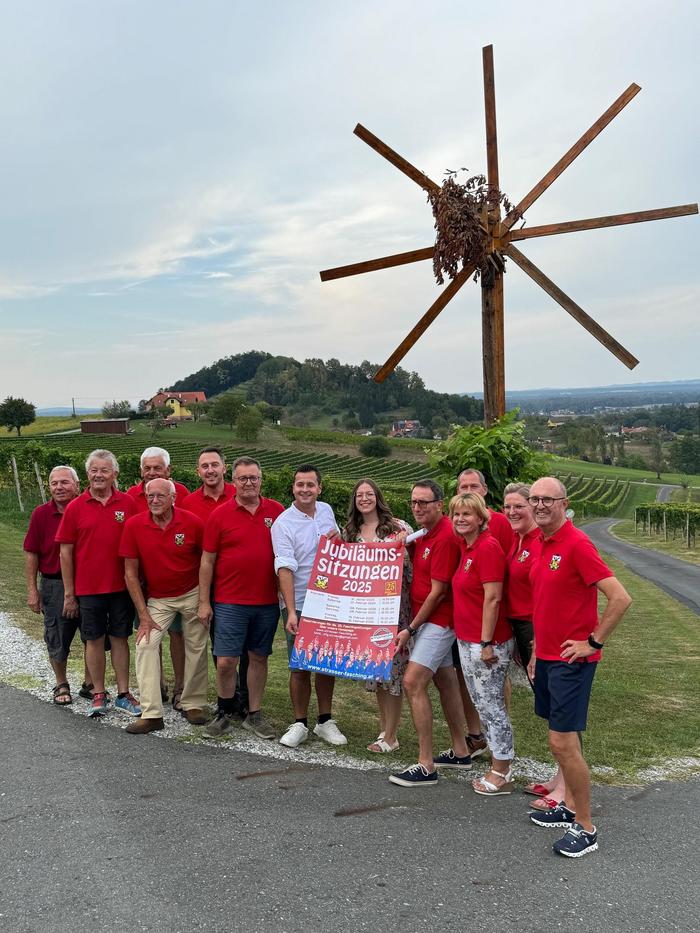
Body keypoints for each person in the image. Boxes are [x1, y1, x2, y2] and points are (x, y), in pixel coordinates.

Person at [526, 477, 632, 858]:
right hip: (549, 657)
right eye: (534, 499)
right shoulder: (540, 542)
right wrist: (537, 648)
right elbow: (545, 603)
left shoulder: (577, 544)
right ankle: (568, 806)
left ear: (563, 503)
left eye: (547, 500)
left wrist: (593, 642)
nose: (539, 505)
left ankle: (585, 827)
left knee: (562, 742)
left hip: (573, 660)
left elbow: (620, 598)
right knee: (559, 740)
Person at [389, 480, 470, 788]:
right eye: (413, 503)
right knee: (445, 680)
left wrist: (410, 629)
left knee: (413, 681)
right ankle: (460, 749)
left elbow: (438, 593)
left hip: (438, 620)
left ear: (440, 504)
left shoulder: (446, 536)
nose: (418, 507)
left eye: (424, 502)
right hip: (430, 619)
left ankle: (426, 764)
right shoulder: (424, 534)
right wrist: (404, 539)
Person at [198, 457, 284, 740]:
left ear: (261, 480)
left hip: (266, 601)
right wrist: (203, 602)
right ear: (233, 481)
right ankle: (224, 711)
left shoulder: (277, 512)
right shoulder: (220, 515)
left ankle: (254, 714)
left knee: (258, 657)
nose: (249, 483)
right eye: (243, 478)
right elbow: (207, 561)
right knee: (226, 661)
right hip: (229, 601)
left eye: (254, 478)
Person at [120, 478, 210, 733]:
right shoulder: (134, 526)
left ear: (173, 498)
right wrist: (144, 615)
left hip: (191, 591)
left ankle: (192, 703)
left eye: (161, 496)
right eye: (150, 497)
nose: (155, 501)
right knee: (145, 644)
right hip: (159, 598)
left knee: (196, 645)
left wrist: (204, 600)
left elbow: (206, 562)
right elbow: (130, 574)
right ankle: (152, 713)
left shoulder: (192, 522)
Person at [55, 449, 140, 717]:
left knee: (120, 638)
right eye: (94, 470)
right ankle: (98, 693)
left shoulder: (129, 504)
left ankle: (124, 693)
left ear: (115, 474)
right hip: (89, 588)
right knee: (92, 639)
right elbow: (65, 553)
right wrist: (70, 593)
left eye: (104, 470)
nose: (99, 475)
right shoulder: (75, 507)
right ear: (87, 474)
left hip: (122, 587)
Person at [272, 464, 347, 748]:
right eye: (300, 484)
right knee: (300, 666)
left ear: (319, 488)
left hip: (329, 601)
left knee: (326, 663)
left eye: (310, 485)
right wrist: (291, 611)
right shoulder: (283, 523)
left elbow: (337, 544)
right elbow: (284, 568)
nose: (305, 489)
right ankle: (300, 723)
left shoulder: (327, 511)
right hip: (301, 601)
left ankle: (325, 721)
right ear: (293, 488)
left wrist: (337, 539)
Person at [503, 482, 565, 811]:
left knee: (560, 707)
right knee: (550, 705)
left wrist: (535, 639)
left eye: (520, 506)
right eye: (507, 506)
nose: (513, 512)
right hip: (521, 628)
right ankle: (559, 776)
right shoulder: (518, 540)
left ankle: (567, 786)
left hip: (537, 628)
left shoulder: (541, 542)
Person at [450, 493, 515, 795]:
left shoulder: (488, 548)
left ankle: (501, 768)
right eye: (456, 514)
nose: (461, 519)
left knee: (492, 706)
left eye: (467, 514)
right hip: (467, 638)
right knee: (482, 703)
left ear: (480, 518)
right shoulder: (468, 547)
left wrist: (486, 642)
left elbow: (493, 597)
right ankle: (497, 759)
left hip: (486, 642)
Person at [342, 478, 412, 754]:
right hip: (366, 615)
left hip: (394, 613)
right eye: (359, 495)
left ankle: (392, 735)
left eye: (369, 494)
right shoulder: (350, 532)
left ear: (378, 497)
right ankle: (385, 728)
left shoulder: (398, 528)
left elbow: (411, 569)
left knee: (392, 673)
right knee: (378, 674)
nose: (364, 498)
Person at [126, 446, 190, 711]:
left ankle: (180, 687)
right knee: (149, 632)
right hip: (142, 582)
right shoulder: (131, 496)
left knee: (177, 634)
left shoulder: (182, 494)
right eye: (147, 468)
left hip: (173, 581)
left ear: (168, 470)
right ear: (141, 471)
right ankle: (157, 685)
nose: (152, 472)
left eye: (157, 468)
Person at [23, 465, 92, 705]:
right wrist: (33, 591)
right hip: (54, 584)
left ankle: (90, 683)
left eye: (65, 482)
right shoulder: (40, 514)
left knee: (92, 635)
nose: (59, 487)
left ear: (76, 485)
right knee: (57, 636)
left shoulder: (88, 509)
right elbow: (31, 553)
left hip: (89, 582)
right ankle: (61, 682)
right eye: (54, 483)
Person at [180, 447, 235, 522]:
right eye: (205, 466)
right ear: (198, 472)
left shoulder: (239, 496)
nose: (210, 471)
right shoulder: (188, 503)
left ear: (224, 469)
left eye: (214, 465)